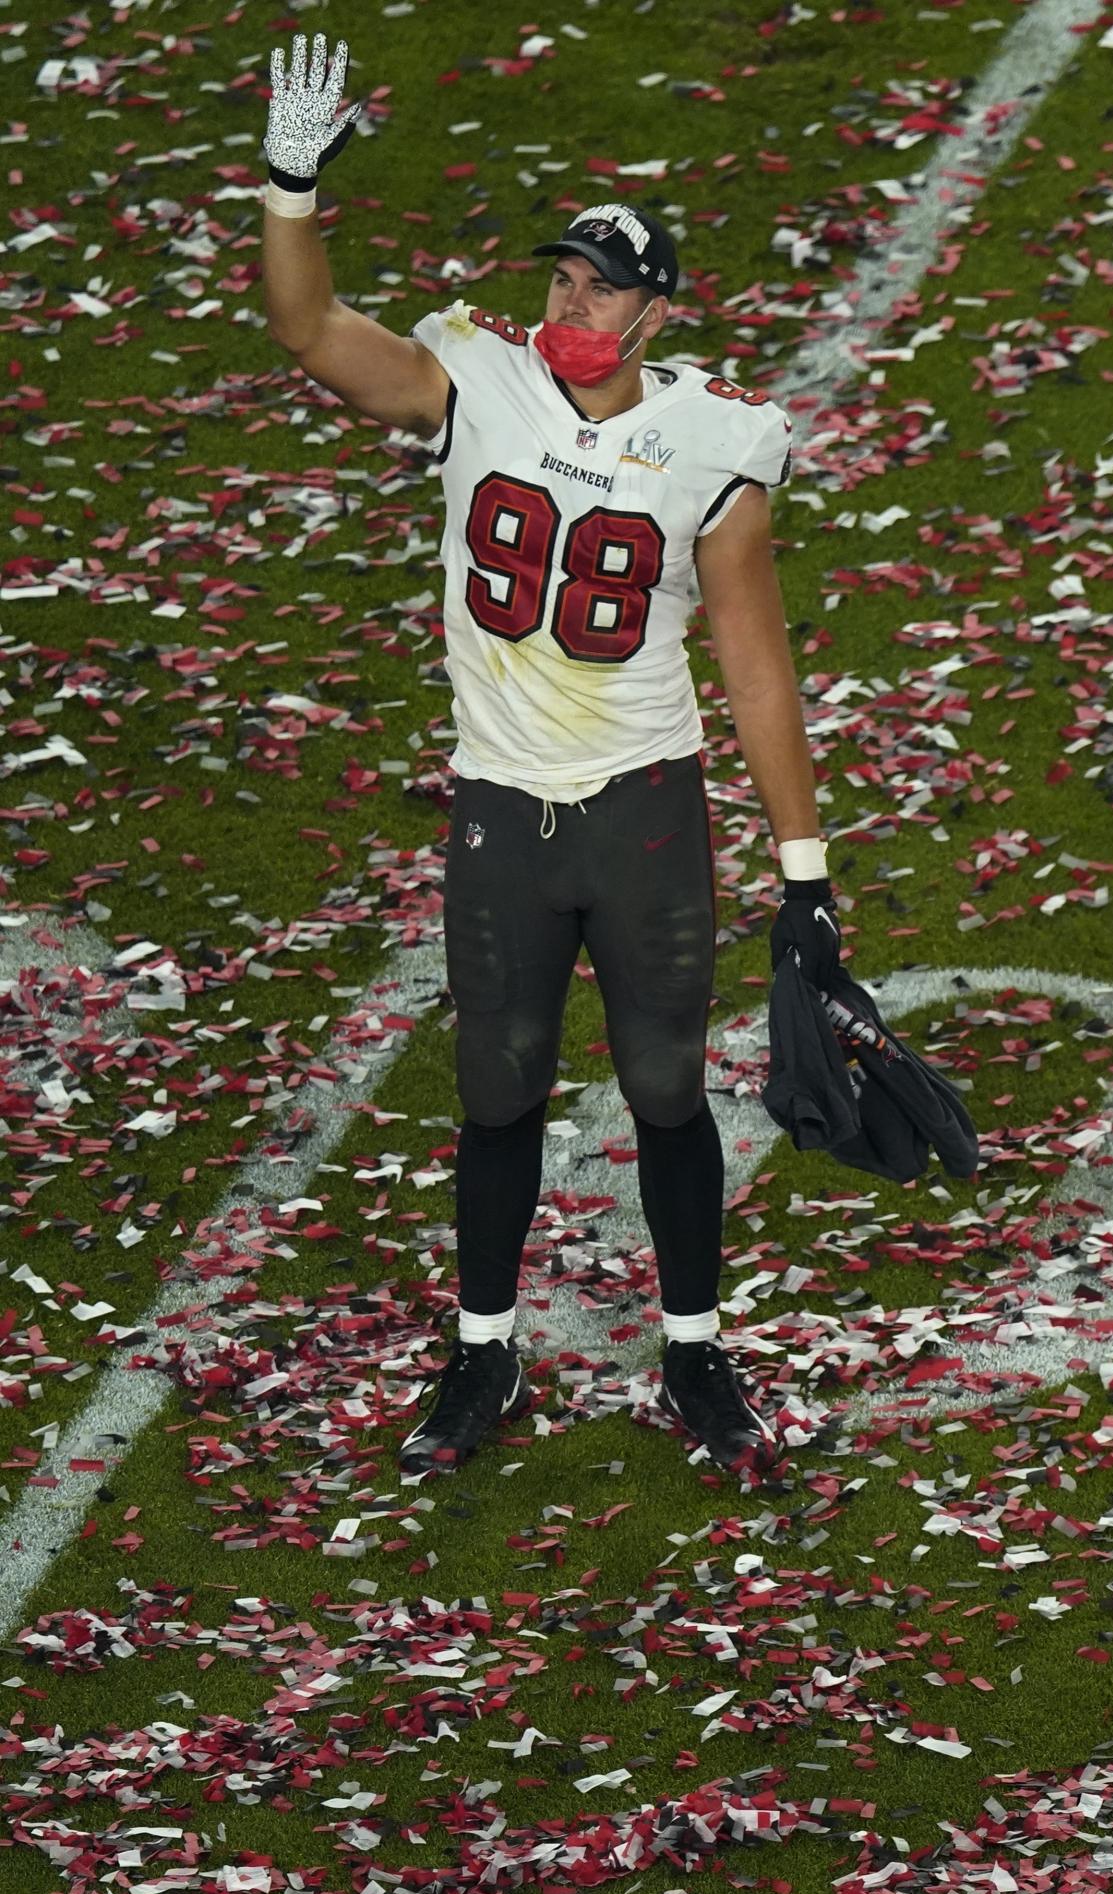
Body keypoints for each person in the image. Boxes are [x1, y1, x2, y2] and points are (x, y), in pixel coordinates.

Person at [258, 35, 841, 1480]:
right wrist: (288, 189)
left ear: (654, 314)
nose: (569, 303)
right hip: (504, 805)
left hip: (643, 801)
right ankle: (481, 1352)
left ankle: (698, 1354)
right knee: (499, 1083)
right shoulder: (478, 381)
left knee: (663, 1087)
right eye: (561, 278)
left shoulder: (718, 441)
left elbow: (754, 661)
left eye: (599, 287)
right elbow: (313, 333)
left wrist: (804, 867)